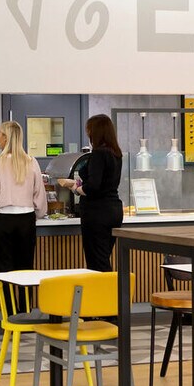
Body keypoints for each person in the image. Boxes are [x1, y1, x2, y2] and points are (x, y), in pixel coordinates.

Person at [0, 121, 47, 313]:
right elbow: (40, 198)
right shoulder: (31, 162)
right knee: (26, 269)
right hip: (26, 221)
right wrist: (38, 213)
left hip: (4, 221)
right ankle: (25, 312)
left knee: (5, 270)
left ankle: (10, 313)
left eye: (0, 134)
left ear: (6, 138)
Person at [66, 114, 123, 272]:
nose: (88, 134)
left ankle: (108, 289)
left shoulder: (98, 154)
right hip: (114, 210)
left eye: (89, 130)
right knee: (103, 257)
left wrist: (76, 189)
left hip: (97, 213)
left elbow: (93, 186)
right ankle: (109, 288)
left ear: (96, 132)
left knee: (97, 263)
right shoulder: (116, 154)